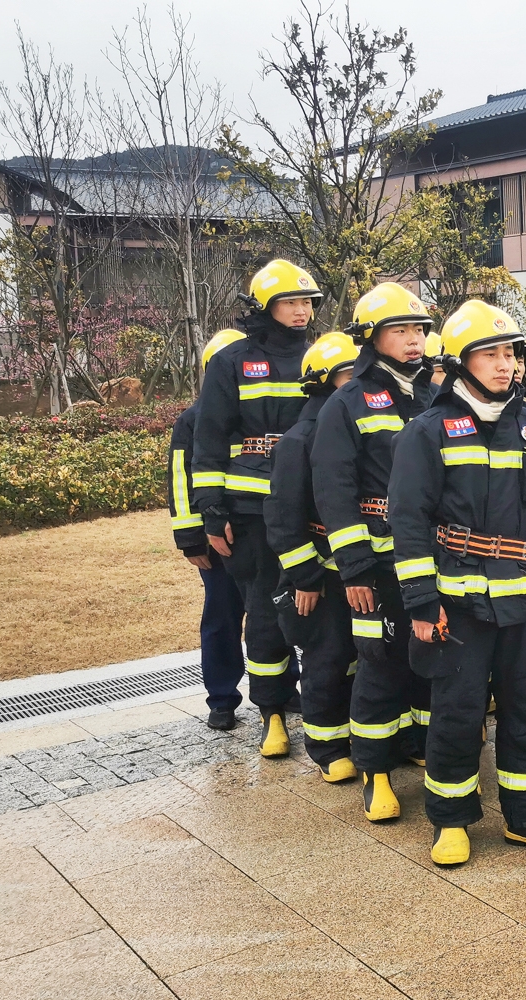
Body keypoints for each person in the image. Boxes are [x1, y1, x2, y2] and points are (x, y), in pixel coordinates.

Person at [389, 298, 526, 865]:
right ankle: (450, 821)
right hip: (458, 606)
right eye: (490, 354)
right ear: (460, 363)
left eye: (511, 353)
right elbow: (407, 526)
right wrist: (423, 604)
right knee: (456, 715)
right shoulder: (426, 432)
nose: (505, 365)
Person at [312, 282, 437, 822]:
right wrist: (355, 567)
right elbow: (333, 491)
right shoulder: (347, 402)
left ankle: (423, 749)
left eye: (419, 331)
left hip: (435, 560)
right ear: (371, 337)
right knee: (380, 663)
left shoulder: (438, 395)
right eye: (401, 331)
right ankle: (375, 770)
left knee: (433, 661)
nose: (414, 341)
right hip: (378, 564)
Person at [192, 259, 321, 757]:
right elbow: (208, 442)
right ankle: (271, 715)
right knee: (265, 614)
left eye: (308, 302)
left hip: (311, 509)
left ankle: (323, 707)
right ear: (264, 308)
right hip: (249, 512)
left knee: (319, 614)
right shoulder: (231, 363)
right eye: (291, 302)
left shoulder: (318, 358)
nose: (302, 311)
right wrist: (211, 510)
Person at [265, 332, 361, 782]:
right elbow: (284, 519)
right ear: (323, 381)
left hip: (361, 569)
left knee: (368, 658)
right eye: (350, 375)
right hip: (320, 577)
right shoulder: (298, 442)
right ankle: (326, 746)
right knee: (327, 657)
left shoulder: (360, 429)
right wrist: (304, 576)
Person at [169, 328, 248, 731]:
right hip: (216, 544)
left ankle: (284, 689)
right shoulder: (193, 420)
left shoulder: (260, 412)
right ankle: (222, 698)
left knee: (276, 618)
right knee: (221, 618)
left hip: (261, 534)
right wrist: (191, 538)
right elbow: (182, 484)